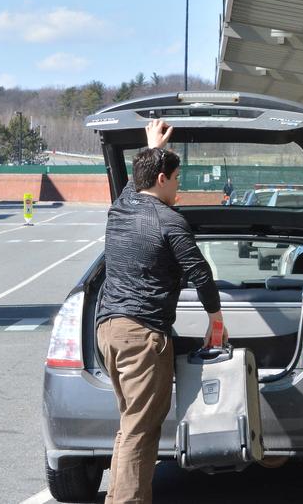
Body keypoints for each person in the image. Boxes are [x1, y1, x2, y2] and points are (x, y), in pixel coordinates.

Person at [96, 119, 226, 504]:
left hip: (108, 331)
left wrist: (151, 147)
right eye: (177, 179)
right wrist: (215, 320)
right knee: (141, 429)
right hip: (141, 336)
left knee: (130, 425)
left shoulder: (121, 208)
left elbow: (135, 183)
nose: (179, 186)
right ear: (164, 179)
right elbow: (200, 273)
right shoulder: (171, 222)